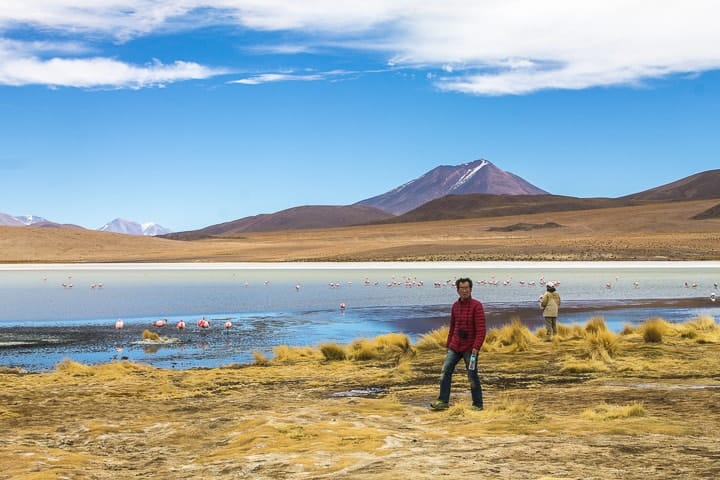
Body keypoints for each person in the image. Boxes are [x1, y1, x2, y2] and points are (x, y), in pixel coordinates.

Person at [429, 277, 486, 411]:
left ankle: (477, 404)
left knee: (472, 374)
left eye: (467, 288)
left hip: (470, 349)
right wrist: (449, 344)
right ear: (458, 290)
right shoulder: (455, 306)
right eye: (462, 288)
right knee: (445, 371)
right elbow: (452, 327)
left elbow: (481, 329)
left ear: (471, 289)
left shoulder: (477, 306)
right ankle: (443, 400)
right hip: (455, 346)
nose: (464, 291)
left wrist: (476, 347)